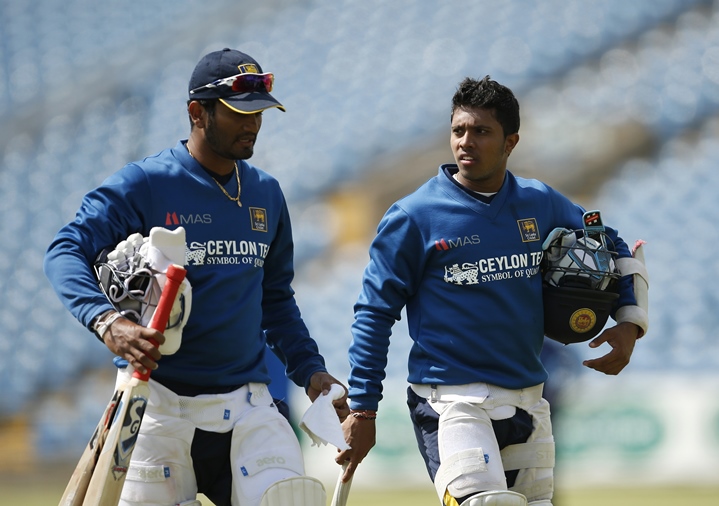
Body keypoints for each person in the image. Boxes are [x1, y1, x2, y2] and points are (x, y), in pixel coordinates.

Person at [44, 48, 348, 506]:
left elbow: (277, 300)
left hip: (247, 405)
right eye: (238, 114)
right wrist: (107, 322)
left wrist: (311, 371)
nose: (253, 124)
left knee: (292, 499)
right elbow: (64, 250)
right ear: (196, 112)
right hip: (155, 406)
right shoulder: (144, 183)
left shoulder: (266, 193)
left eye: (259, 113)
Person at [335, 76, 648, 506]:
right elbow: (373, 313)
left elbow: (609, 243)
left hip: (529, 401)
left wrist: (630, 320)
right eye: (458, 130)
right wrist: (363, 407)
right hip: (451, 402)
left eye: (481, 131)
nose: (466, 141)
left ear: (510, 142)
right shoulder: (413, 216)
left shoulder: (540, 202)